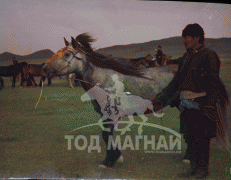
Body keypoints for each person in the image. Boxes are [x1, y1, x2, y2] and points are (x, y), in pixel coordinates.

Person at [152, 23, 230, 179]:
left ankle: (203, 171)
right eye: (183, 37)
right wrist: (161, 96)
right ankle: (193, 169)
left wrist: (209, 107)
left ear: (197, 38)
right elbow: (176, 81)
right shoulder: (187, 57)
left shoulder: (209, 55)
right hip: (185, 103)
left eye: (187, 37)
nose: (184, 41)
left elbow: (214, 83)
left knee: (201, 139)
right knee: (190, 137)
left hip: (201, 103)